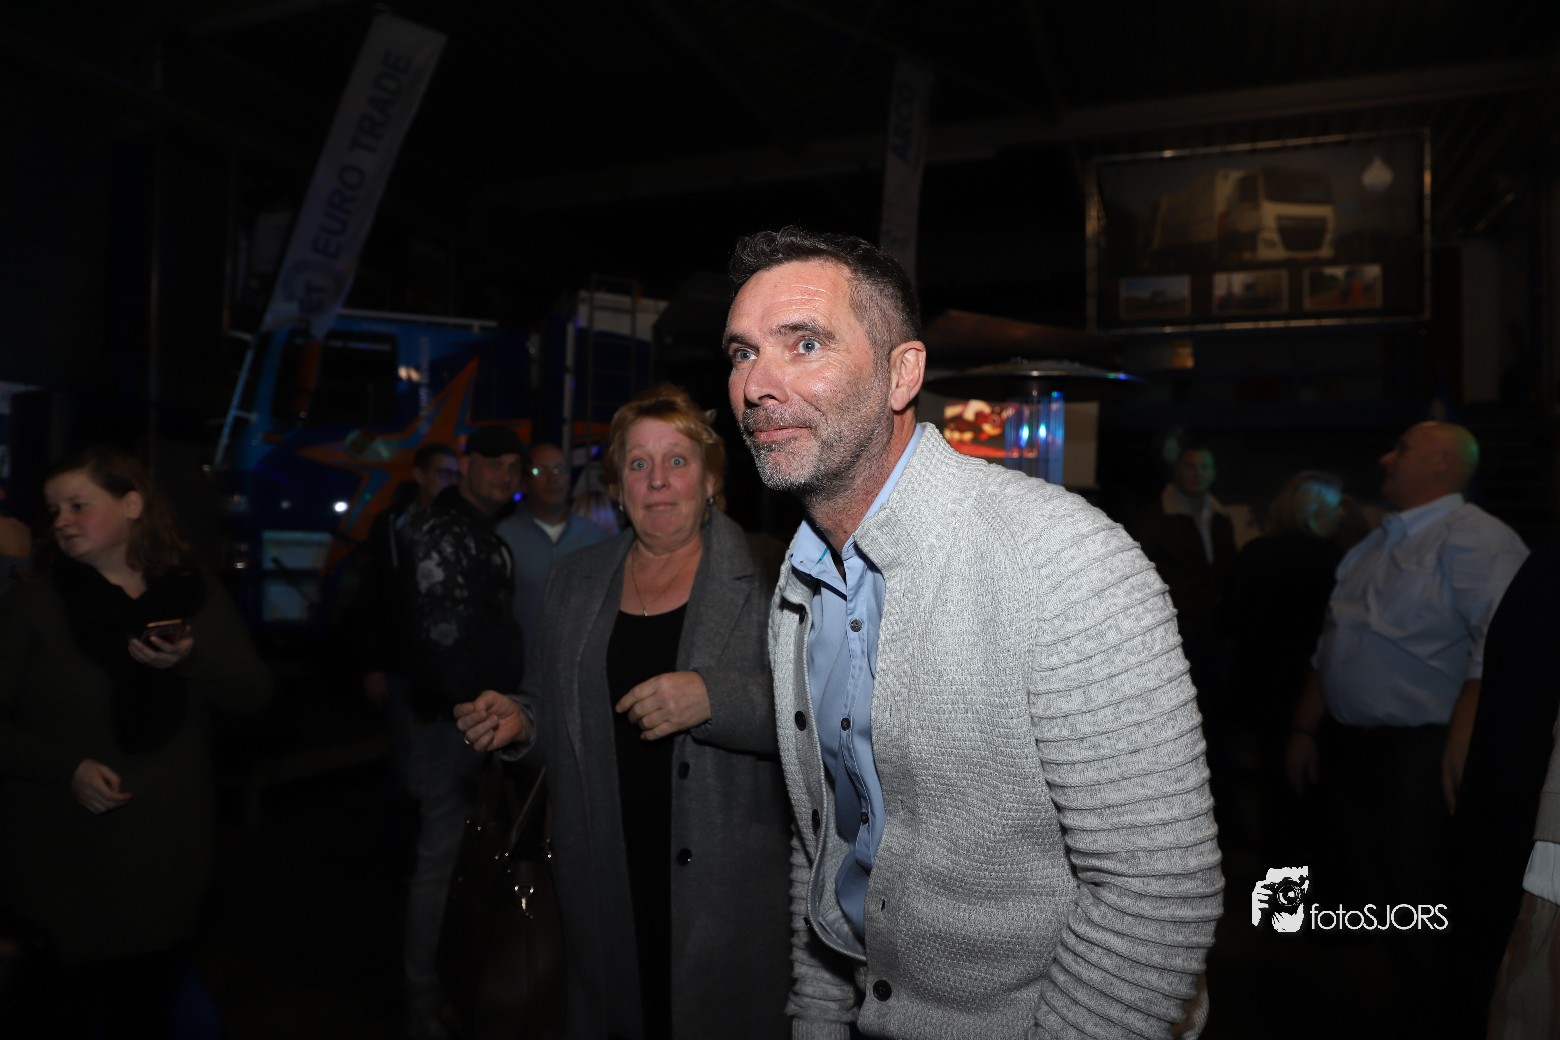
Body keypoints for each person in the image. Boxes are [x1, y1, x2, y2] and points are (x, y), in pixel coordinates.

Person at [722, 227, 1222, 1039]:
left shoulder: (1063, 558)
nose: (756, 385)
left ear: (902, 374)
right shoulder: (803, 576)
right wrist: (817, 1021)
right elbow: (829, 839)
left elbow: (1157, 891)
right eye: (743, 353)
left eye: (804, 343)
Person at [455, 385, 791, 1040]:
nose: (657, 480)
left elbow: (827, 713)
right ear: (616, 487)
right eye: (638, 464)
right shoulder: (574, 581)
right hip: (601, 872)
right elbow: (553, 710)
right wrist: (520, 722)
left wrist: (715, 698)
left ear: (712, 480)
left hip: (730, 883)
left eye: (677, 461)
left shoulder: (771, 571)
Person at [0, 446, 271, 1037]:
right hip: (61, 858)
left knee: (145, 1010)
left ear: (131, 505)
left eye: (78, 505)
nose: (61, 521)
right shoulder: (33, 602)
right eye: (53, 509)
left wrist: (191, 659)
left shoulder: (192, 593)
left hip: (166, 852)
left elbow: (254, 697)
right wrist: (66, 768)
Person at [1285, 421, 1528, 1038]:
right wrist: (1305, 729)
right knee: (1382, 890)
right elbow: (1332, 644)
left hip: (1424, 750)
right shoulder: (1374, 544)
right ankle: (1413, 1001)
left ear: (1442, 462)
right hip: (1358, 748)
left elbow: (1501, 643)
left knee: (1424, 892)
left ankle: (1447, 1017)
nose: (1385, 457)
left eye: (1403, 448)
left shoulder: (1477, 538)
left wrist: (1464, 735)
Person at [399, 426, 525, 1040]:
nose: (505, 474)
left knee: (469, 866)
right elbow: (441, 639)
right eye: (493, 462)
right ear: (466, 466)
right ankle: (425, 1006)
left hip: (479, 723)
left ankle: (458, 997)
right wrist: (482, 713)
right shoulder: (446, 531)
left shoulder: (474, 529)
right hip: (456, 727)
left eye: (513, 466)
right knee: (443, 864)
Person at [358, 442, 460, 710]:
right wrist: (373, 665)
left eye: (455, 475)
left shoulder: (460, 525)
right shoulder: (392, 524)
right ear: (419, 475)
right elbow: (372, 594)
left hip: (447, 663)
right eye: (443, 473)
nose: (451, 482)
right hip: (400, 659)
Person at [496, 442, 608, 680]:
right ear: (525, 481)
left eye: (559, 469)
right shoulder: (504, 537)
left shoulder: (595, 537)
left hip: (581, 675)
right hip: (520, 676)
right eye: (540, 470)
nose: (552, 478)